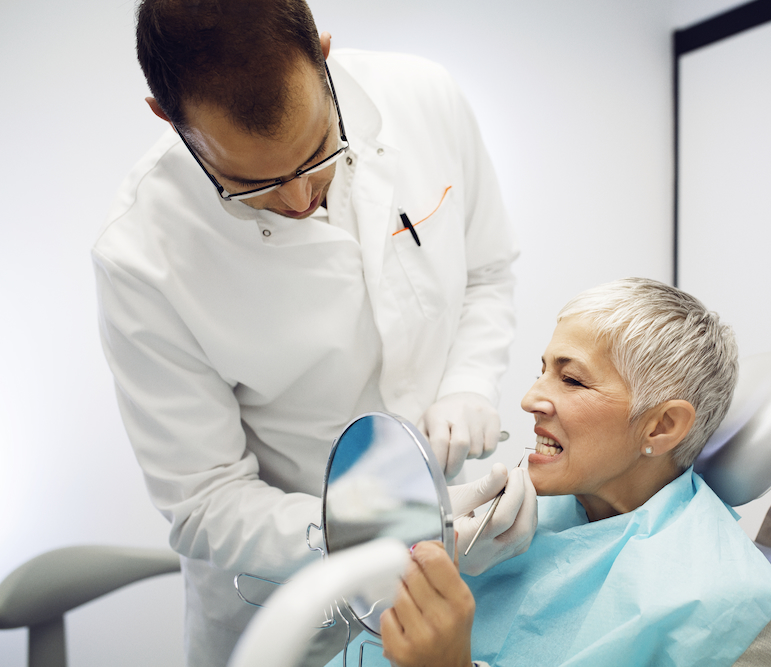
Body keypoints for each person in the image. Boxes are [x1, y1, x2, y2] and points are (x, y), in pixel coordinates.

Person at [91, 1, 535, 664]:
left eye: (316, 153)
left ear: (323, 55)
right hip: (287, 608)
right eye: (251, 184)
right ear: (167, 116)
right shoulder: (141, 254)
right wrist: (380, 525)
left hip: (441, 581)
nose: (299, 199)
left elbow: (488, 270)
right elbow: (206, 500)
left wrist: (469, 381)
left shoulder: (425, 99)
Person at [376, 278, 771, 667]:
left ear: (661, 426)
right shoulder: (524, 512)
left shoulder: (731, 608)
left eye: (572, 379)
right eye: (542, 371)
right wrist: (415, 538)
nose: (529, 399)